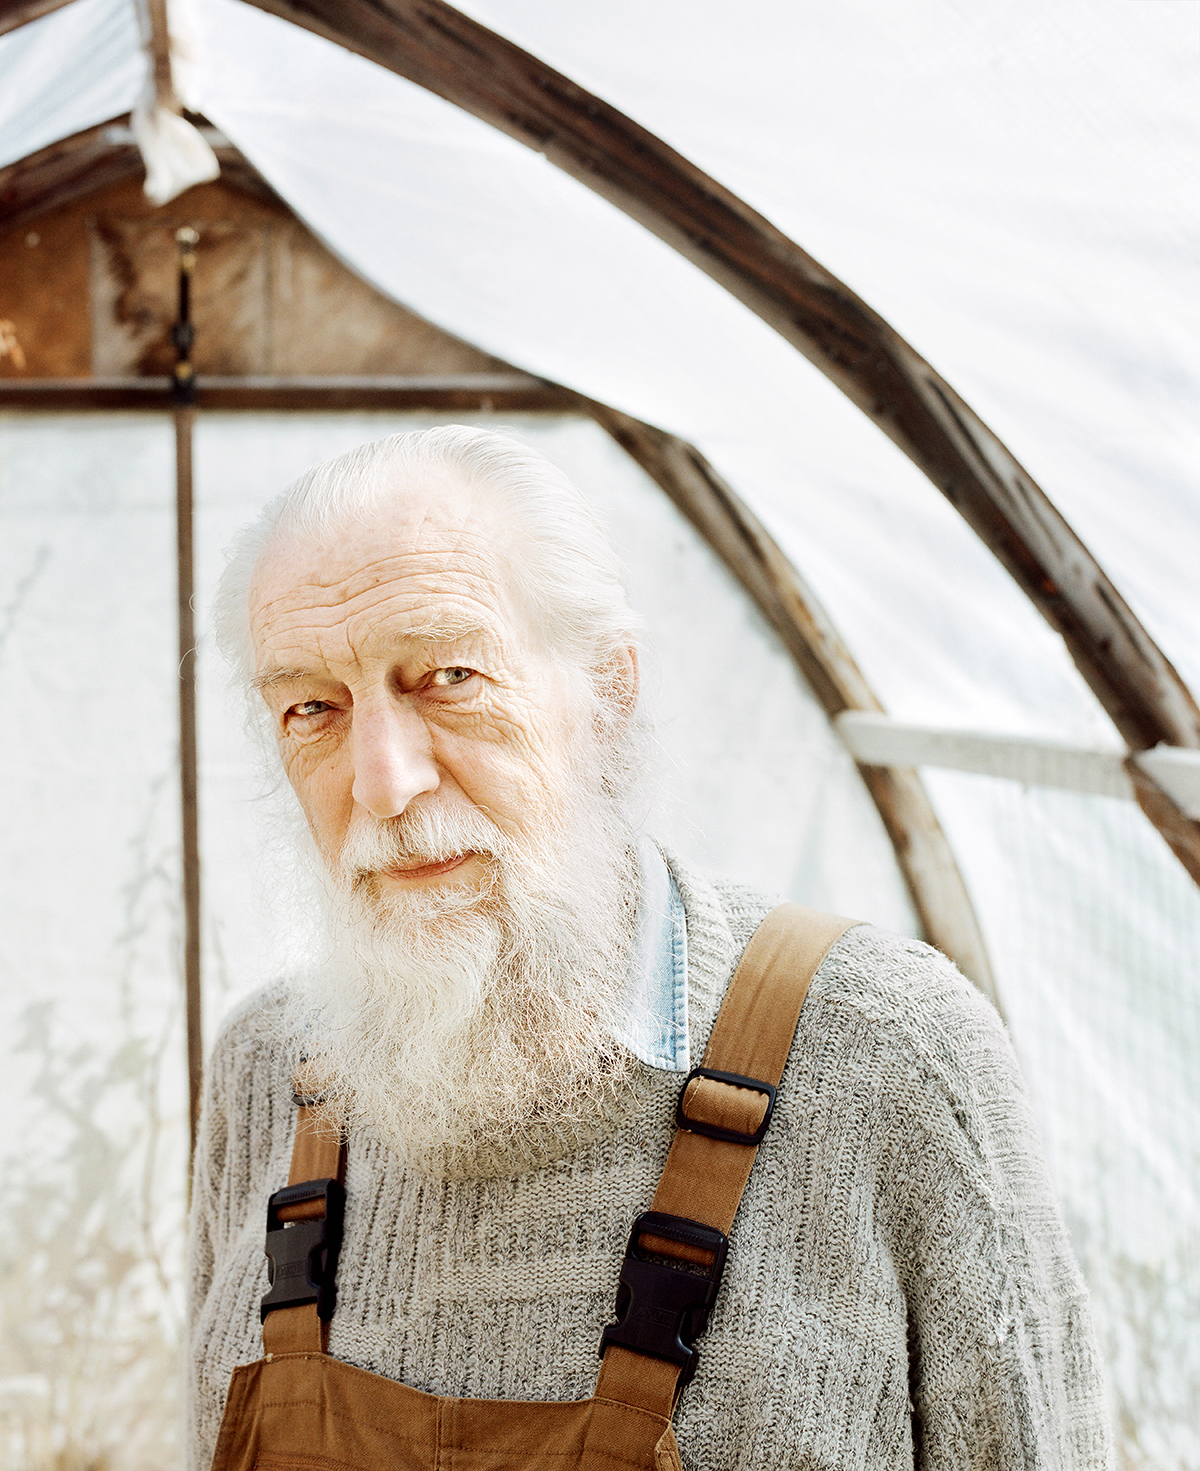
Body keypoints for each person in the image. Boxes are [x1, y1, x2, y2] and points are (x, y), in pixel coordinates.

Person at [189, 425, 1112, 1469]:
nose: (384, 782)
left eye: (448, 675)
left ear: (610, 694)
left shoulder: (892, 1056)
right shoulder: (270, 1067)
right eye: (313, 705)